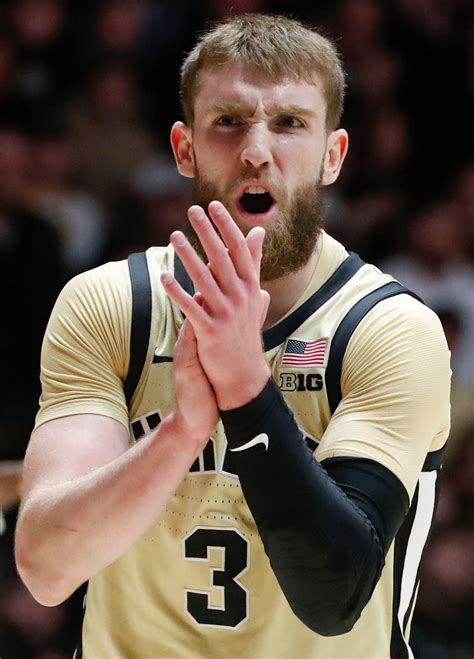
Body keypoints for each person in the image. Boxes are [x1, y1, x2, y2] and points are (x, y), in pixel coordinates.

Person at [15, 14, 451, 659]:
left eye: (289, 123)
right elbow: (47, 571)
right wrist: (181, 433)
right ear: (184, 148)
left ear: (333, 156)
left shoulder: (387, 329)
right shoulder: (112, 305)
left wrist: (247, 390)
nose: (256, 151)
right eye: (228, 121)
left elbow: (333, 597)